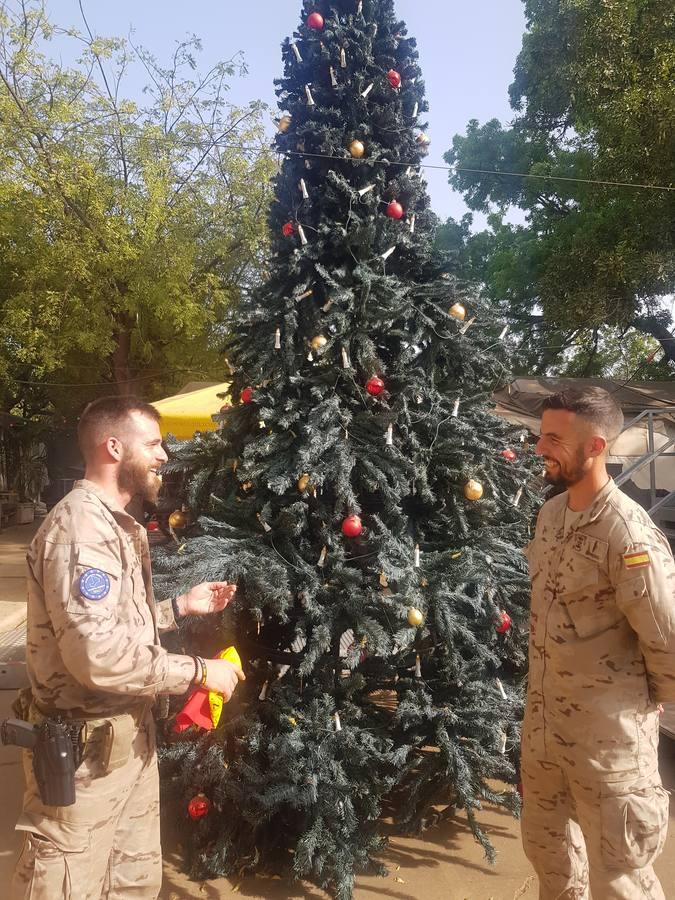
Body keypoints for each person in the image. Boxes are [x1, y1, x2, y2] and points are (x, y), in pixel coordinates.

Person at [12, 396, 245, 899]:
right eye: (155, 444)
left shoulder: (115, 525)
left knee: (132, 885)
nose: (164, 456)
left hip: (129, 752)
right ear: (113, 446)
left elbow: (109, 627)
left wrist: (178, 607)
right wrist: (200, 673)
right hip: (83, 767)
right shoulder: (80, 530)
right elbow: (96, 656)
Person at [521, 386, 675, 899]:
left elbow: (667, 640)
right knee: (553, 867)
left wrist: (639, 718)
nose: (541, 448)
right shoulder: (551, 518)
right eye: (542, 435)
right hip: (545, 737)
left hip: (608, 748)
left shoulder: (628, 534)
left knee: (620, 878)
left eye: (555, 439)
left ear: (595, 446)